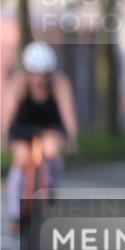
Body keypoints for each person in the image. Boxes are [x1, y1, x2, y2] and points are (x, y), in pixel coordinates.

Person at [2, 41, 78, 229]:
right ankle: (15, 215)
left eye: (44, 74)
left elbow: (68, 112)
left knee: (51, 151)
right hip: (22, 127)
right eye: (35, 74)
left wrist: (71, 137)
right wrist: (4, 135)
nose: (39, 79)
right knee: (20, 160)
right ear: (28, 72)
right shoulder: (18, 84)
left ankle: (50, 184)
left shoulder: (60, 83)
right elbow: (7, 113)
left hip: (49, 126)